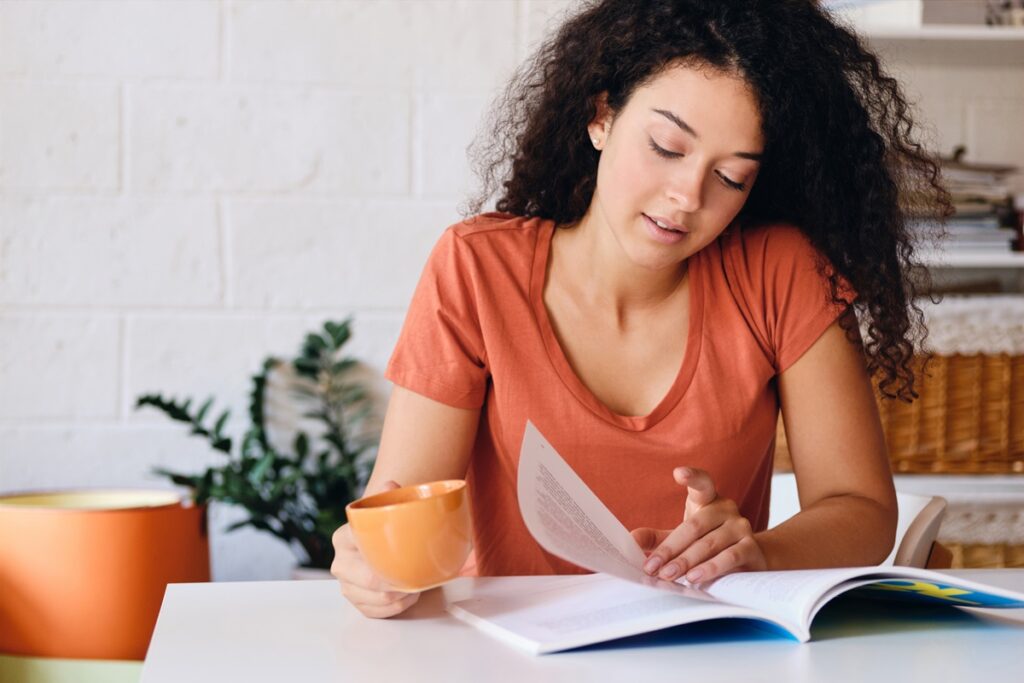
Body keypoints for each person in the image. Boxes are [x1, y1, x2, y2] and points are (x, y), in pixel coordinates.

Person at [331, 0, 950, 619]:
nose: (686, 197)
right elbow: (399, 507)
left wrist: (758, 553)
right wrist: (374, 571)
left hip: (711, 653)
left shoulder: (782, 272)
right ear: (602, 117)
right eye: (666, 146)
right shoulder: (477, 269)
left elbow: (862, 510)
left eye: (731, 178)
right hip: (512, 657)